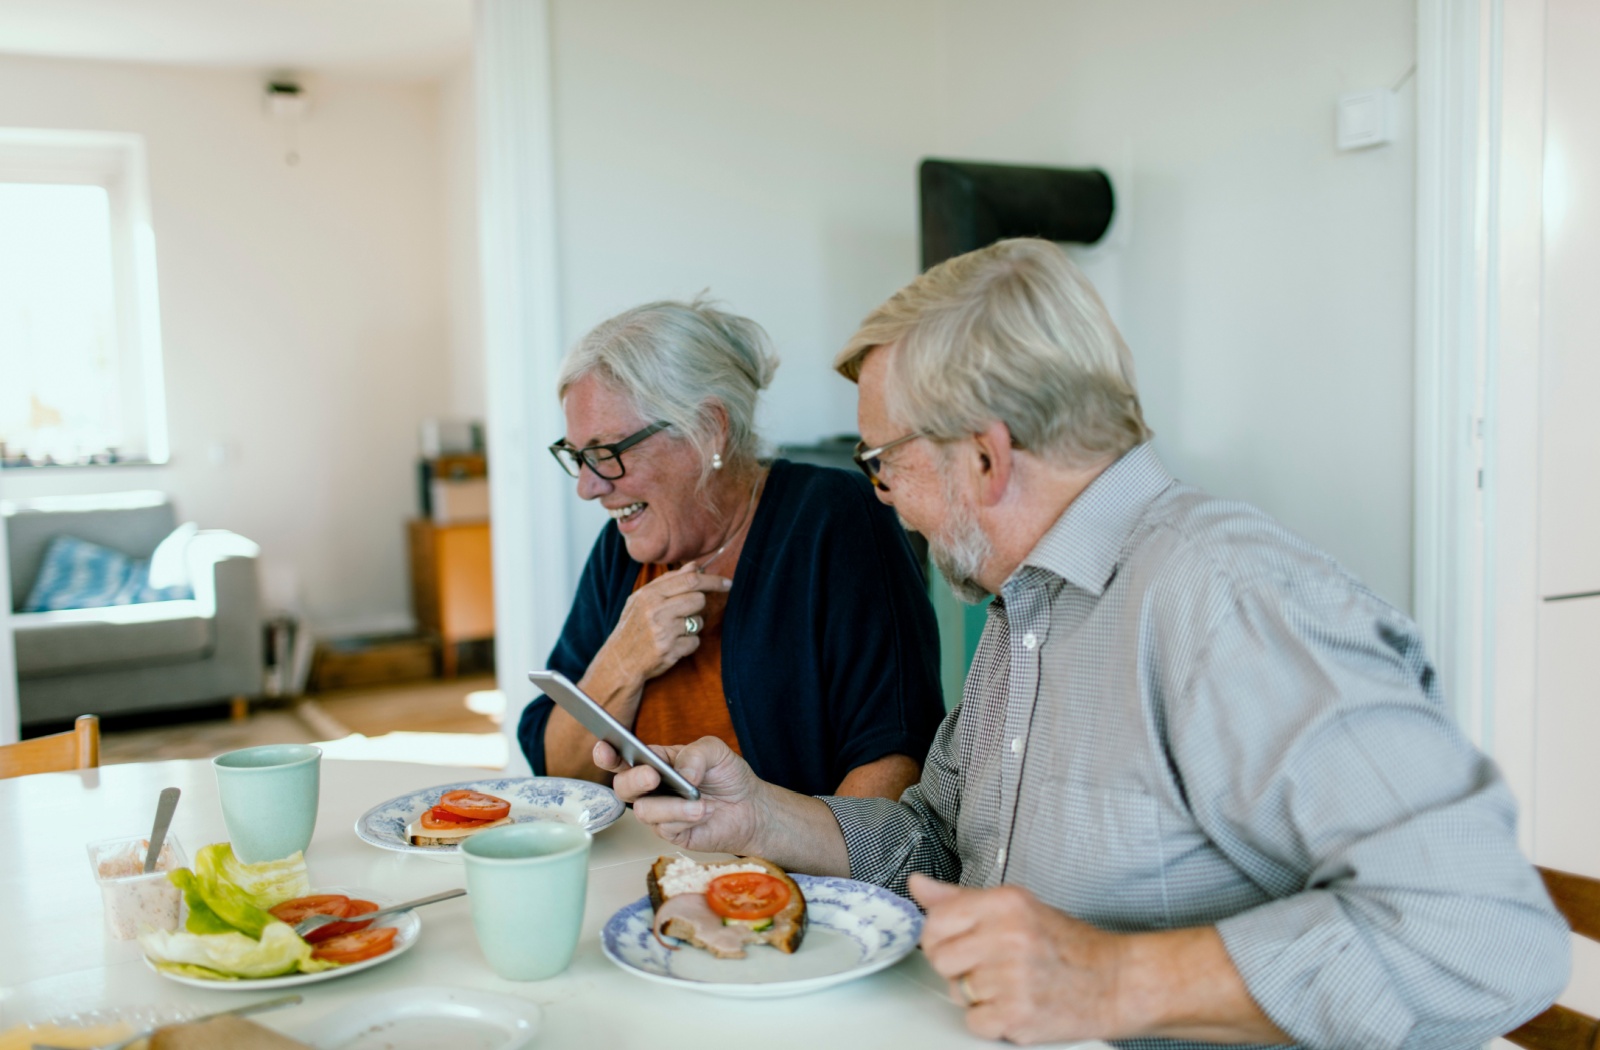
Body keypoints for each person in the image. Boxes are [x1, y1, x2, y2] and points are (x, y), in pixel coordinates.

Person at [598, 241, 1569, 1048]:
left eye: (882, 463)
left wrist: (1106, 978)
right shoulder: (1025, 605)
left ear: (985, 455)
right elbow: (938, 841)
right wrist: (763, 819)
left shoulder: (1226, 598)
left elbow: (1485, 934)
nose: (882, 497)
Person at [518, 298, 946, 800]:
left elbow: (896, 762)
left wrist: (771, 877)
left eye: (606, 453)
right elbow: (553, 774)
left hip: (790, 877)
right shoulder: (623, 548)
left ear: (707, 430)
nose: (587, 488)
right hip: (639, 873)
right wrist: (622, 661)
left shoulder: (834, 518)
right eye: (577, 456)